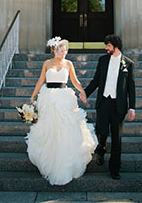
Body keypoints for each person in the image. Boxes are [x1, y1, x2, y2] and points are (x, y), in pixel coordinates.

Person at [26, 37, 98, 186]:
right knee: (50, 129)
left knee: (66, 129)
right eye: (61, 50)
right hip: (49, 98)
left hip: (64, 97)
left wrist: (83, 92)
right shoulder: (47, 63)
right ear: (54, 50)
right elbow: (40, 81)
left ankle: (66, 162)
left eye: (65, 50)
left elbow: (75, 81)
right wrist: (33, 96)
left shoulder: (68, 64)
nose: (64, 53)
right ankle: (50, 160)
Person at [81, 34, 136, 180]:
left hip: (119, 106)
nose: (106, 48)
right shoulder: (103, 60)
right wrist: (85, 93)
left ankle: (114, 169)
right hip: (104, 102)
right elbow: (96, 80)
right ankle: (101, 148)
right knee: (102, 131)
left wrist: (132, 108)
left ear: (116, 47)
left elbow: (131, 88)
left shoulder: (128, 64)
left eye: (109, 46)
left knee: (117, 138)